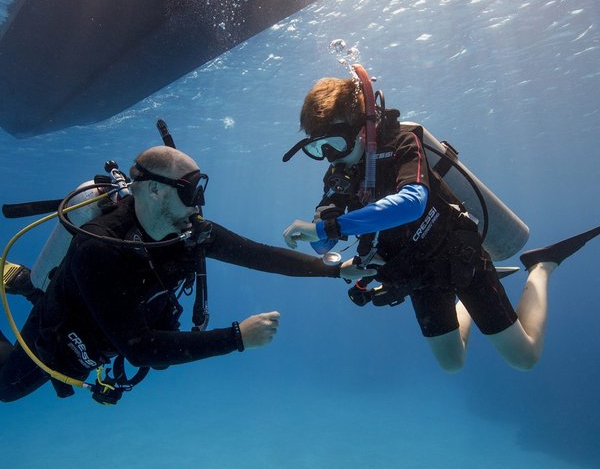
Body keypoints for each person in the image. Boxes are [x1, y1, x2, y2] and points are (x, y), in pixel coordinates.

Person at [282, 74, 600, 373]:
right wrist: (321, 226)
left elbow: (412, 202)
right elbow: (323, 244)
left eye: (334, 143)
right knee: (452, 363)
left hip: (460, 256)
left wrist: (328, 229)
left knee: (524, 358)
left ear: (363, 128)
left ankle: (541, 266)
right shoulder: (339, 178)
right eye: (316, 147)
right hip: (417, 274)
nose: (328, 156)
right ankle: (465, 299)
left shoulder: (402, 144)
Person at [0, 145, 367, 403]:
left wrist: (335, 271)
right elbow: (139, 348)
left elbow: (258, 255)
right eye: (190, 192)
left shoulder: (189, 231)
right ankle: (27, 285)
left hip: (113, 311)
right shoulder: (100, 247)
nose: (198, 204)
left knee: (159, 356)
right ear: (156, 191)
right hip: (67, 331)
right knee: (6, 388)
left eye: (199, 189)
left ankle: (20, 280)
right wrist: (237, 337)